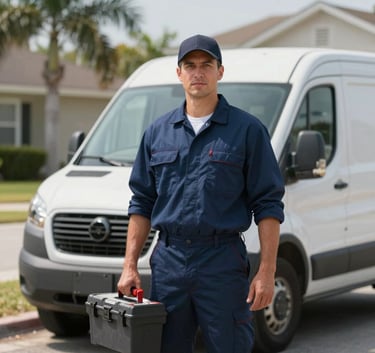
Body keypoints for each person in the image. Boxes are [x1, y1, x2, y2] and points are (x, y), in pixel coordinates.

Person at [117, 34, 285, 353]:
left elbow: (268, 205)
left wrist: (267, 271)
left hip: (222, 261)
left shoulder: (247, 131)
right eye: (189, 65)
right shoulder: (157, 133)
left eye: (206, 65)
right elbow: (141, 202)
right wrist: (130, 265)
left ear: (220, 72)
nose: (198, 73)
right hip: (169, 262)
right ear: (178, 73)